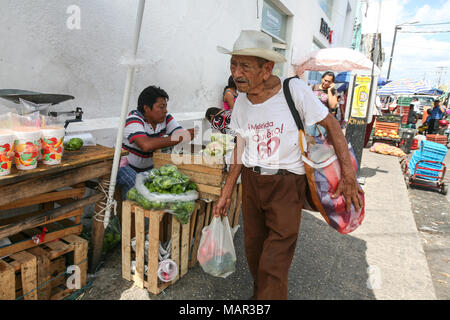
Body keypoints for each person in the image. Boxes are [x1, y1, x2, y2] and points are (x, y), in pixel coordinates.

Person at [214, 30, 364, 300]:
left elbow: (331, 126)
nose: (237, 72)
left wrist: (349, 175)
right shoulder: (241, 104)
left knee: (274, 263)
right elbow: (239, 148)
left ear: (266, 68)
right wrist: (226, 193)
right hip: (251, 183)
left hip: (286, 185)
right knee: (255, 253)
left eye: (244, 66)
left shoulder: (292, 89)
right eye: (233, 64)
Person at [116, 85, 195, 198]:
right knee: (137, 188)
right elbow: (146, 145)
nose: (165, 111)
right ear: (146, 108)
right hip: (125, 166)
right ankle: (131, 214)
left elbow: (181, 133)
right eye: (161, 107)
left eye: (166, 107)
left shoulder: (165, 118)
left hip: (148, 168)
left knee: (168, 186)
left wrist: (186, 134)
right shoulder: (133, 120)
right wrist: (179, 137)